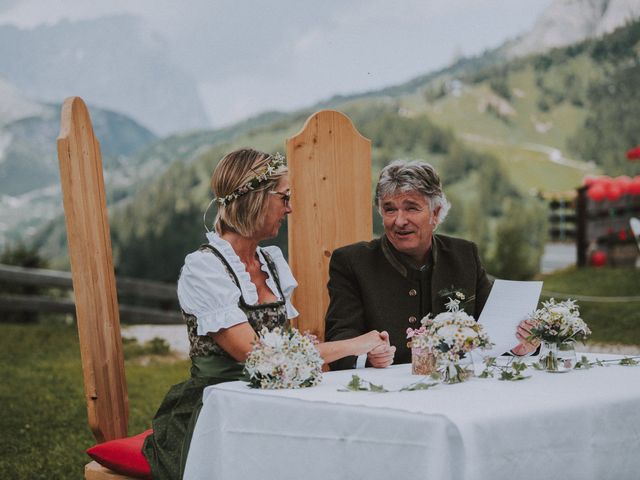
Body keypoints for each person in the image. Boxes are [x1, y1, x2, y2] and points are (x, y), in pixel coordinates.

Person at [142, 148, 389, 480]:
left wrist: (365, 355)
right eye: (284, 197)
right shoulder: (205, 269)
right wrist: (353, 345)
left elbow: (289, 348)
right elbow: (260, 358)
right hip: (219, 409)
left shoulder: (272, 262)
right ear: (256, 199)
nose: (290, 208)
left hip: (273, 400)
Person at [324, 159, 538, 371]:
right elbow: (340, 341)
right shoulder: (351, 262)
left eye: (411, 208)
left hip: (457, 387)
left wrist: (520, 345)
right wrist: (368, 358)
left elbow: (496, 331)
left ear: (435, 213)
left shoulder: (464, 255)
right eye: (390, 210)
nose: (399, 221)